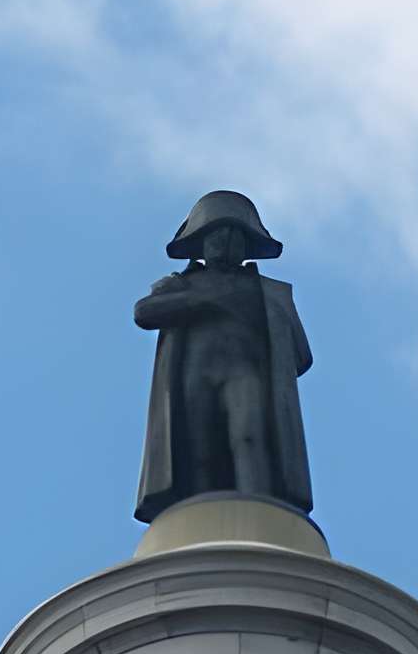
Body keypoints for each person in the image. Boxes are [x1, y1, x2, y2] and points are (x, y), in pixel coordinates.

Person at [134, 192, 313, 525]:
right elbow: (144, 313)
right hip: (195, 374)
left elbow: (300, 356)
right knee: (198, 446)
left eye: (234, 237)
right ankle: (199, 520)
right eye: (217, 236)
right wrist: (198, 301)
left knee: (248, 435)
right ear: (201, 242)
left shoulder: (271, 293)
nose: (225, 244)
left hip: (245, 374)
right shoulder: (181, 285)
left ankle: (259, 513)